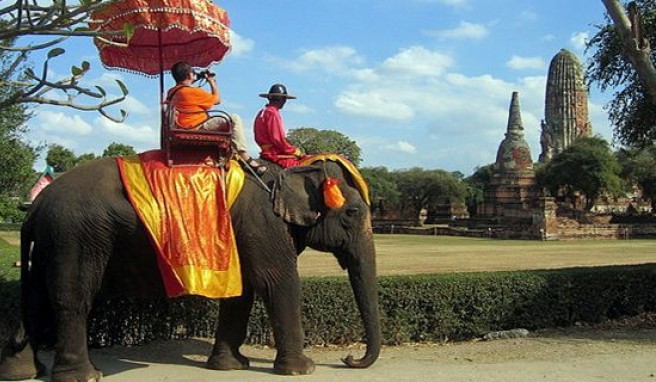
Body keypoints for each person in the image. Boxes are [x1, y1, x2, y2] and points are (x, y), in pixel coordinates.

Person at [167, 61, 266, 174]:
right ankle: (244, 155)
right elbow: (217, 100)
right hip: (196, 127)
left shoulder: (171, 92)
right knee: (234, 118)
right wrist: (212, 82)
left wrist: (196, 77)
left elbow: (185, 87)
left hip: (181, 126)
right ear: (190, 75)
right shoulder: (192, 91)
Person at [253, 83, 305, 168]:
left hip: (265, 152)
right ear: (282, 99)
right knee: (302, 167)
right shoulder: (273, 113)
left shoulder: (262, 112)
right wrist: (294, 151)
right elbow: (278, 139)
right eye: (284, 99)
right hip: (274, 154)